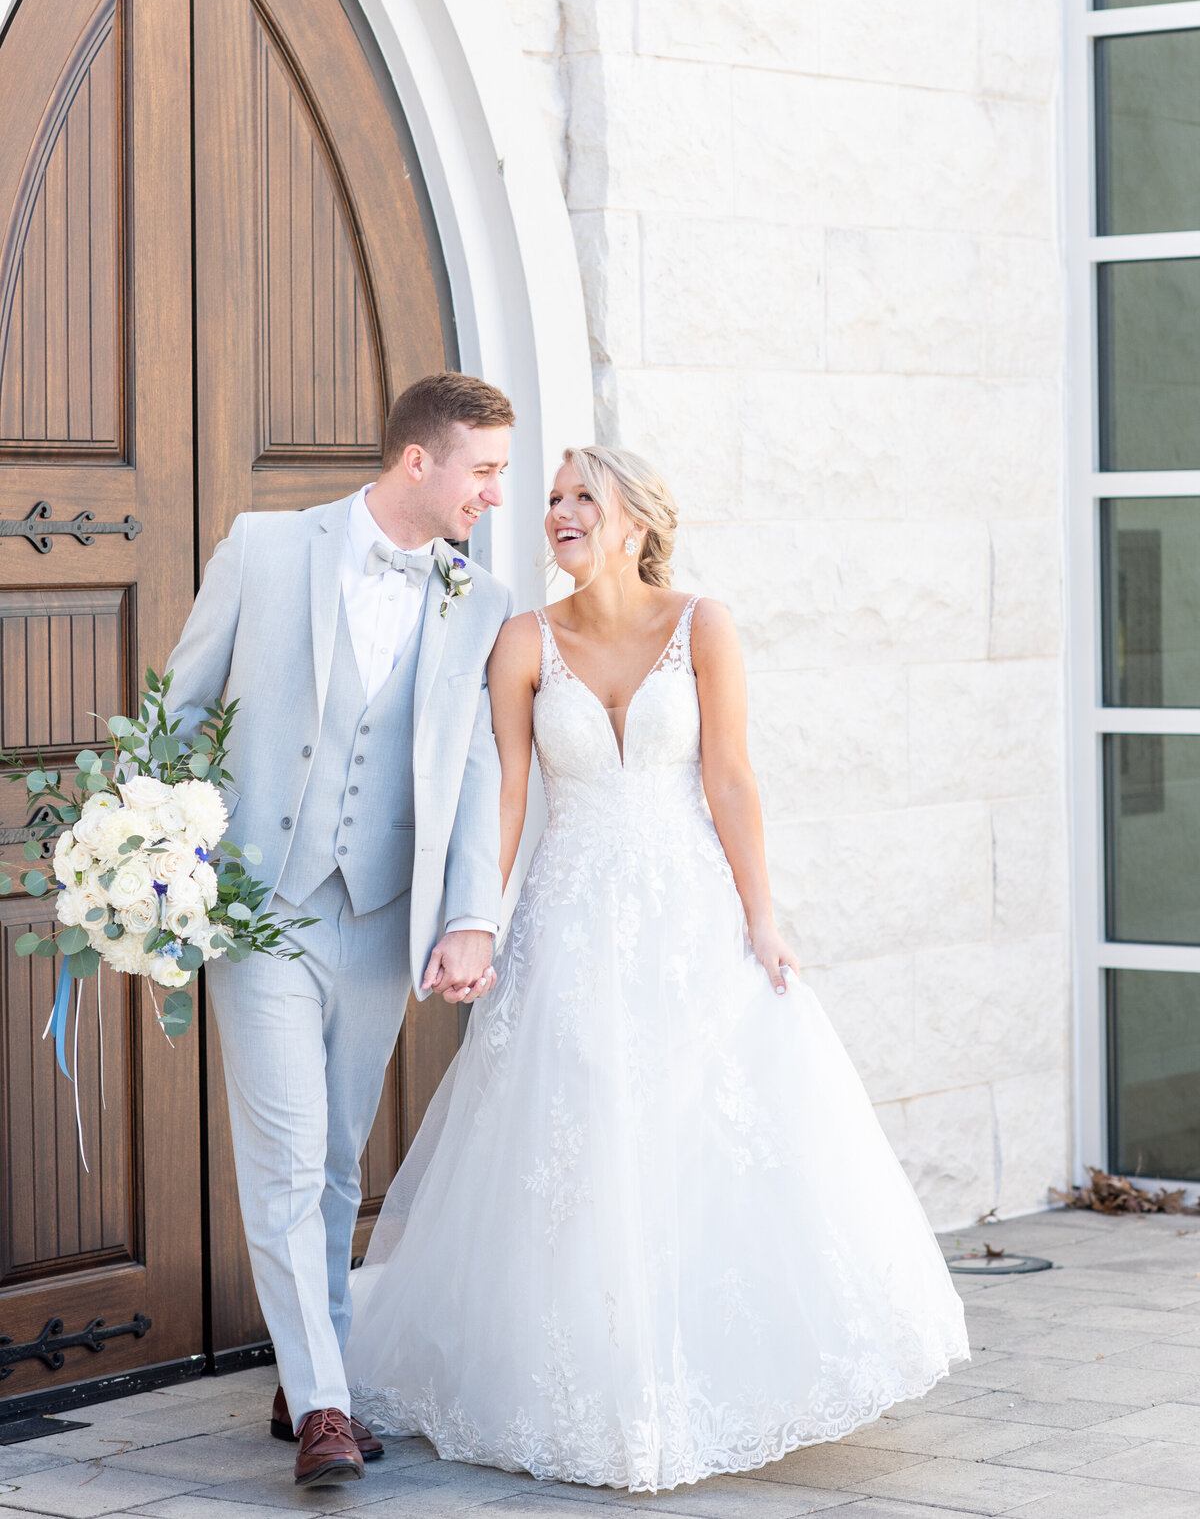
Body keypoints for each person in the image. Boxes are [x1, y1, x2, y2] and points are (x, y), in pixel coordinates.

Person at [344, 444, 969, 1494]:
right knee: (580, 1135)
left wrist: (763, 918)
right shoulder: (523, 640)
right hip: (568, 921)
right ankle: (592, 1384)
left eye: (584, 496)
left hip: (692, 919)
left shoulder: (703, 625)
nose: (560, 511)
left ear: (635, 520)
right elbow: (506, 796)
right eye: (552, 498)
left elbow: (730, 777)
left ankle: (704, 1380)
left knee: (695, 1132)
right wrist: (475, 922)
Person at [165, 372, 514, 1487]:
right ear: (419, 461)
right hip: (260, 910)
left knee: (329, 1162)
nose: (495, 494)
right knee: (281, 1156)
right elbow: (181, 710)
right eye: (484, 471)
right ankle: (325, 1403)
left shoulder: (481, 599)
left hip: (380, 918)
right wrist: (165, 865)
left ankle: (299, 1363)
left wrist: (471, 916)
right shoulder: (266, 550)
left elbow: (477, 769)